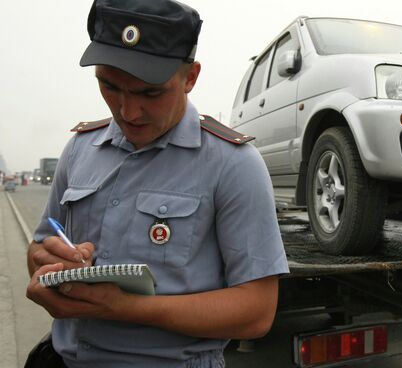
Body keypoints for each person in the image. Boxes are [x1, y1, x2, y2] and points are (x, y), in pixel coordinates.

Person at [25, 0, 289, 367]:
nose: (127, 112)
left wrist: (127, 308)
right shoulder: (79, 149)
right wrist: (44, 265)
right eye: (109, 85)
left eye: (150, 93)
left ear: (191, 77)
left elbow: (257, 312)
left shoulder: (233, 164)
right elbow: (39, 249)